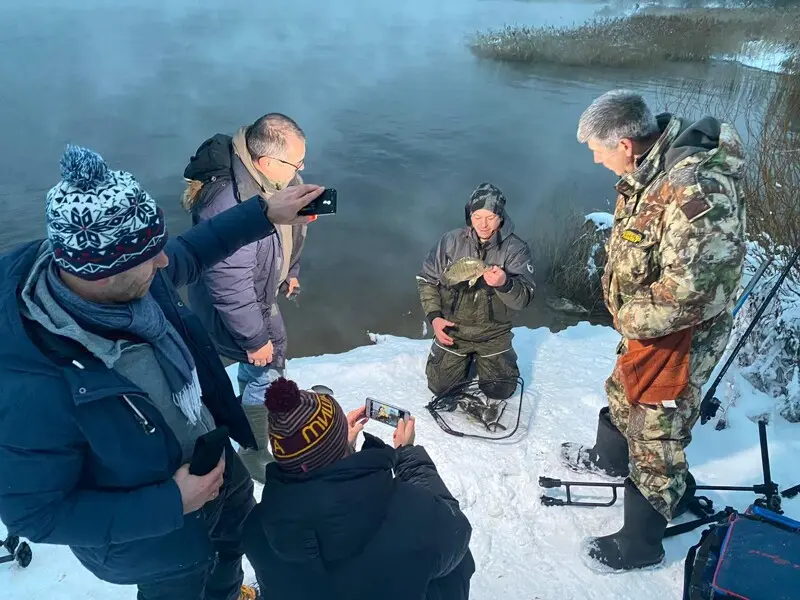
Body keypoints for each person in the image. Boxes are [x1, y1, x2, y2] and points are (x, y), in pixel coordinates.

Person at [0, 144, 323, 600]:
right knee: (183, 587)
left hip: (216, 469)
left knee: (229, 555)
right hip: (158, 541)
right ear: (99, 274)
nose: (164, 262)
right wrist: (170, 503)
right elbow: (35, 514)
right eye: (150, 256)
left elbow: (188, 251)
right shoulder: (31, 382)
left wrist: (264, 212)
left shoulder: (129, 280)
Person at [562, 90, 746, 571]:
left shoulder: (694, 186)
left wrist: (629, 317)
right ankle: (609, 461)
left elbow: (695, 291)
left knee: (656, 431)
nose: (596, 160)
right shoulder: (649, 170)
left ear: (624, 143)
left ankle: (640, 545)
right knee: (624, 393)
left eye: (597, 151)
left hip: (677, 339)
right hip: (648, 329)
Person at [241, 377, 476, 599]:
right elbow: (458, 533)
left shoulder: (256, 528)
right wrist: (408, 455)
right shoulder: (411, 511)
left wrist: (342, 451)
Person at [181, 113, 309, 483]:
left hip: (259, 296)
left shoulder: (275, 179)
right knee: (262, 370)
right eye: (297, 162)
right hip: (240, 309)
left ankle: (245, 425)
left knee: (260, 370)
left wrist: (291, 272)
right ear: (267, 162)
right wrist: (255, 339)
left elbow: (289, 233)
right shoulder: (227, 203)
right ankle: (252, 451)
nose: (302, 168)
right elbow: (228, 282)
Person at [416, 182, 536, 400]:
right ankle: (463, 360)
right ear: (469, 215)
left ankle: (482, 360)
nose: (483, 224)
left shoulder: (516, 249)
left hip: (494, 333)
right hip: (454, 330)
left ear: (500, 217)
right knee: (441, 390)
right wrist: (434, 318)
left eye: (490, 217)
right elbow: (426, 279)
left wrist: (505, 283)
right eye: (477, 216)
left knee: (500, 391)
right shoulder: (450, 241)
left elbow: (524, 298)